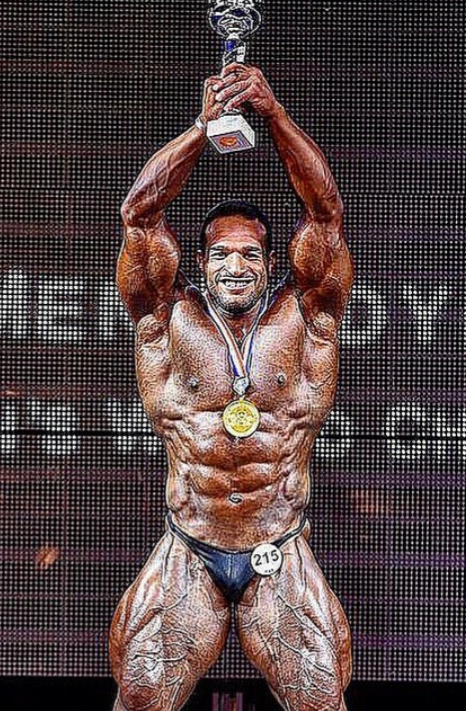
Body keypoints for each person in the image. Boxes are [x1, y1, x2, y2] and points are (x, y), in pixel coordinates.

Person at [110, 63, 354, 711]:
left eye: (249, 253)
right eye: (220, 253)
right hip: (190, 547)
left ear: (273, 262)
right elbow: (139, 215)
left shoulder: (308, 316)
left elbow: (325, 211)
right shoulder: (164, 317)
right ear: (199, 262)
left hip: (278, 547)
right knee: (141, 695)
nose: (235, 265)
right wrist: (204, 126)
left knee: (319, 701)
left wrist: (272, 116)